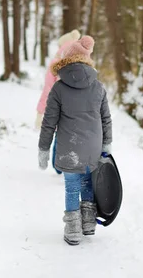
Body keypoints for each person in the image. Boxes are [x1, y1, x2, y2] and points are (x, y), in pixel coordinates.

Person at [37, 35, 112, 245]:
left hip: (69, 147)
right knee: (88, 181)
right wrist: (107, 144)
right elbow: (106, 118)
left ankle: (72, 232)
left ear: (66, 60)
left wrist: (43, 149)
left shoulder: (59, 88)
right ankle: (88, 224)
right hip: (93, 147)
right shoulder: (98, 86)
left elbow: (49, 123)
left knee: (72, 187)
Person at [35, 29, 81, 174]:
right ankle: (73, 162)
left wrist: (40, 111)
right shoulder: (82, 64)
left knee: (59, 134)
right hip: (77, 108)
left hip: (58, 106)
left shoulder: (55, 64)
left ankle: (58, 165)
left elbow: (48, 89)